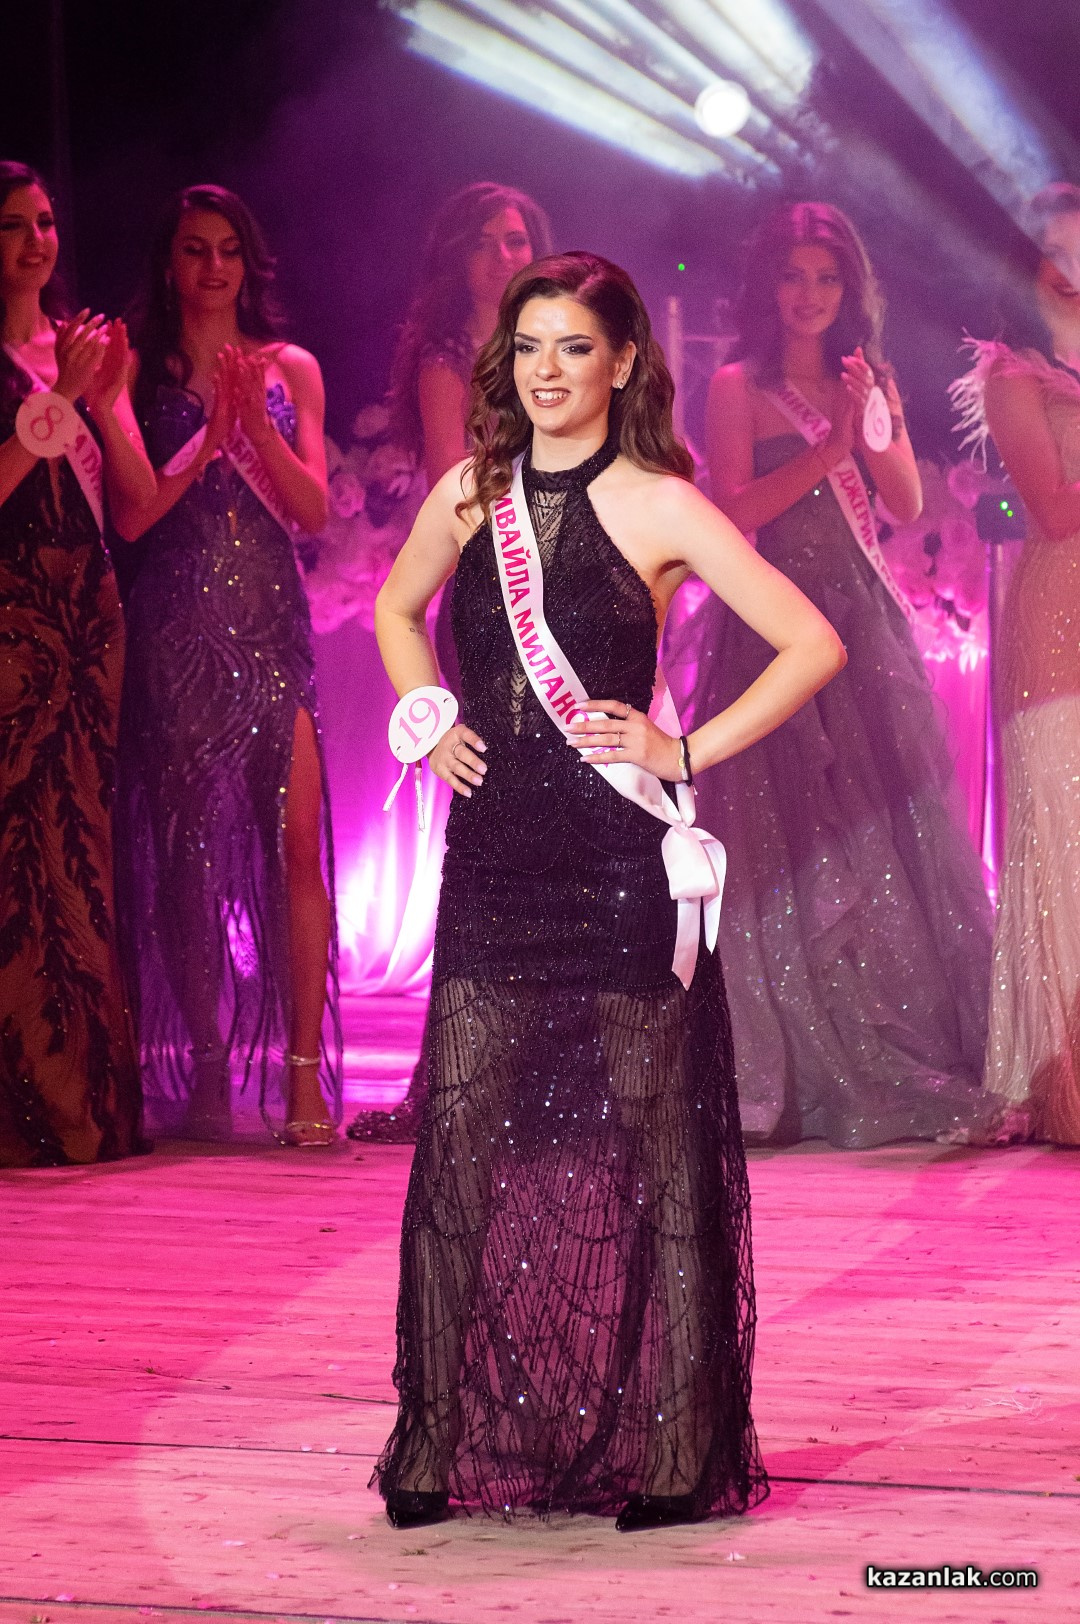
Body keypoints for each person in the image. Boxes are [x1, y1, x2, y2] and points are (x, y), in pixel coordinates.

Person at [371, 250, 845, 1529]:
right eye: (528, 345)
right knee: (458, 1143)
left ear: (623, 361)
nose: (546, 370)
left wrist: (685, 750)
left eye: (574, 347)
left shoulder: (663, 504)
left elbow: (813, 641)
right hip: (493, 863)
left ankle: (681, 1450)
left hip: (621, 862)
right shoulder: (472, 494)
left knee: (662, 1151)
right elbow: (398, 611)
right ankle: (427, 1440)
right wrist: (427, 716)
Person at [695, 201, 995, 1148]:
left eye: (827, 279)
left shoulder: (869, 377)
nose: (809, 295)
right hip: (774, 630)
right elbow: (731, 513)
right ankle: (792, 1063)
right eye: (793, 276)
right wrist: (823, 451)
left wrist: (867, 422)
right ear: (767, 286)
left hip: (862, 632)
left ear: (850, 291)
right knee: (787, 838)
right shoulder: (738, 385)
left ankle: (889, 1032)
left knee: (883, 834)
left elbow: (903, 503)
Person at [116, 184, 341, 1145]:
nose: (214, 267)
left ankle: (302, 1079)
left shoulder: (291, 367)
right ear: (169, 264)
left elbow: (313, 511)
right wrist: (210, 435)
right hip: (176, 628)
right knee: (189, 850)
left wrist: (251, 423)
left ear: (250, 265)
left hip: (270, 625)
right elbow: (131, 514)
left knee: (296, 840)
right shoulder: (137, 368)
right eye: (194, 250)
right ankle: (207, 1064)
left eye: (229, 250)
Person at [348, 180, 552, 1144]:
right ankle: (464, 1076)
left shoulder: (555, 341)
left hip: (566, 590)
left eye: (516, 240)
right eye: (483, 242)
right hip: (493, 595)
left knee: (562, 825)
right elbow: (451, 488)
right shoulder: (447, 361)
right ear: (456, 260)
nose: (503, 257)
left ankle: (554, 1069)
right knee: (493, 828)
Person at [0, 161, 152, 1166]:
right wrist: (57, 393)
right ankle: (26, 1105)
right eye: (12, 225)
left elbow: (131, 506)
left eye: (47, 222)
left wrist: (104, 397)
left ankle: (86, 1103)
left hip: (91, 617)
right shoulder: (38, 366)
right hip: (12, 620)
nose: (36, 242)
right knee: (17, 847)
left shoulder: (83, 348)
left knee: (81, 848)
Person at [951, 182, 1080, 1145]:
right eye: (1054, 250)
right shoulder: (1012, 375)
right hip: (1059, 628)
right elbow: (1056, 510)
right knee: (1064, 844)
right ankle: (1061, 1077)